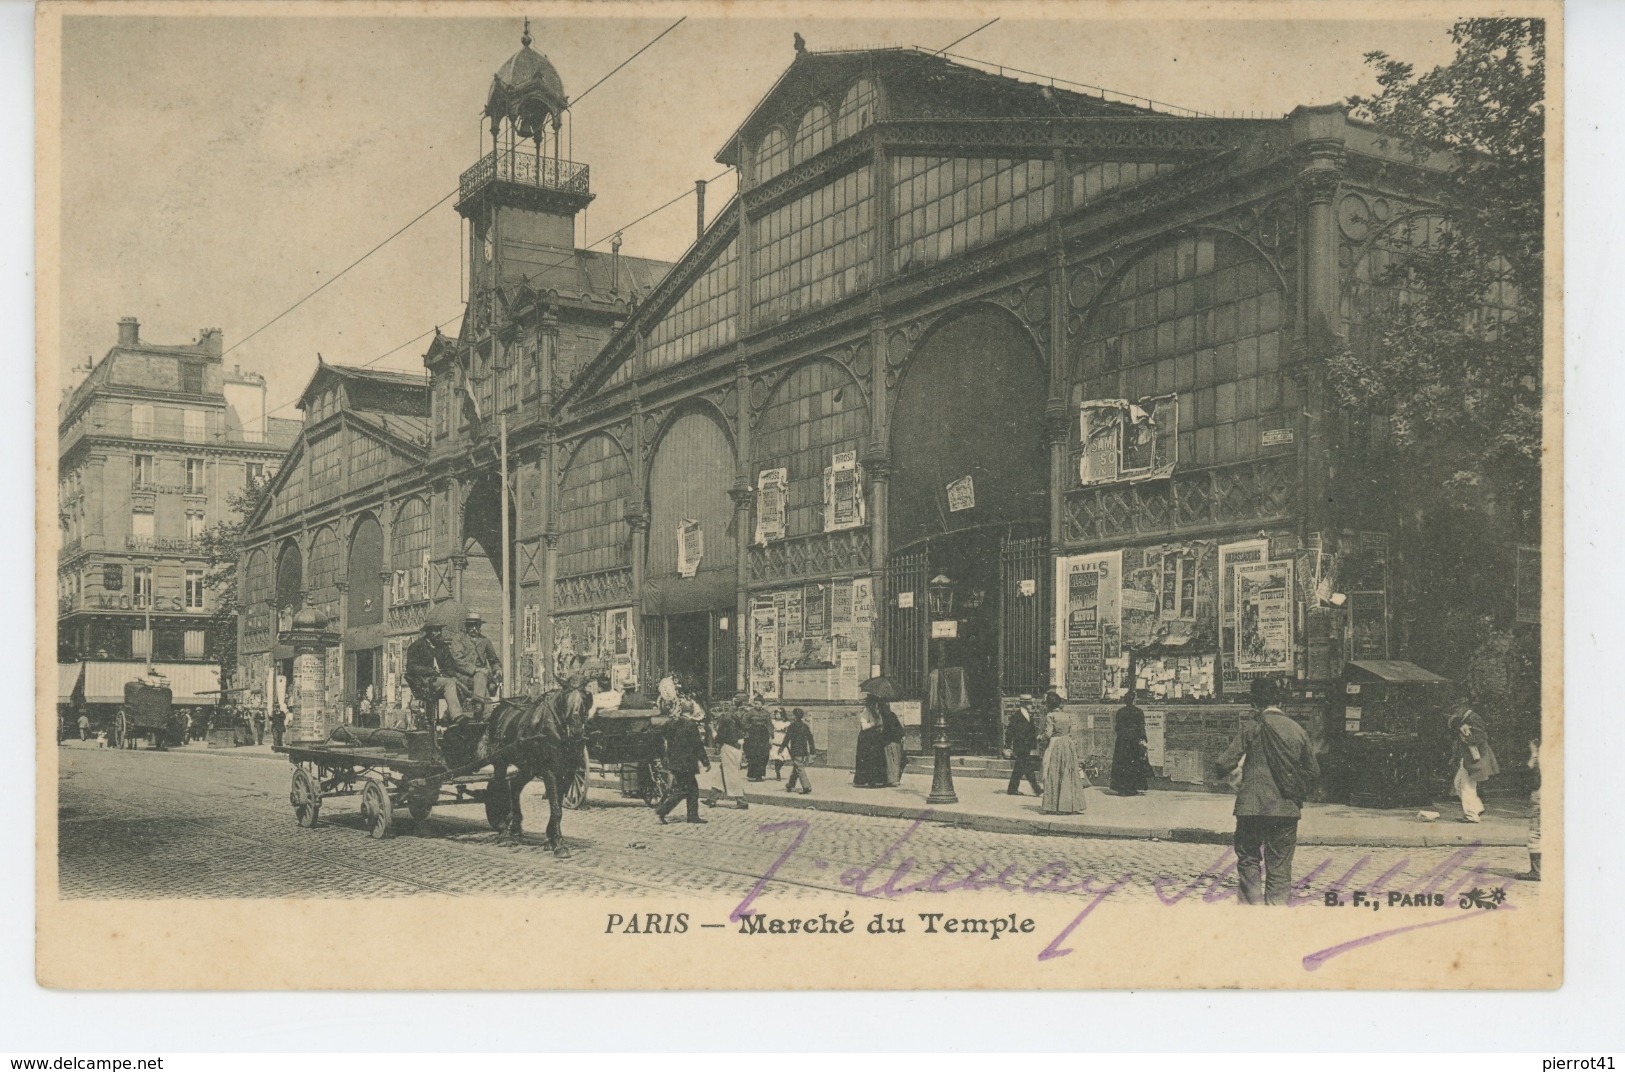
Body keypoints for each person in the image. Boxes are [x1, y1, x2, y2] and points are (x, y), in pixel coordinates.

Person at [1215, 678, 1320, 906]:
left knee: (1249, 858)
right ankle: (1276, 913)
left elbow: (1224, 763)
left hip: (1251, 806)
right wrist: (1295, 792)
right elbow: (1313, 772)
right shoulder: (1297, 730)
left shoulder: (1252, 726)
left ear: (1255, 703)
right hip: (1285, 808)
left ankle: (1253, 909)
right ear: (1281, 702)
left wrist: (1226, 773)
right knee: (1280, 864)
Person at [655, 696, 710, 825]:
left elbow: (663, 736)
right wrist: (705, 762)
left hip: (675, 761)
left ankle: (692, 816)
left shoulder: (672, 723)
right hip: (687, 763)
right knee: (684, 790)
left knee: (691, 789)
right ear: (690, 711)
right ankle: (663, 810)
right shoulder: (690, 725)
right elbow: (697, 745)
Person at [1448, 699, 1500, 823]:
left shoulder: (1473, 718)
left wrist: (1467, 739)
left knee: (1467, 786)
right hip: (1467, 757)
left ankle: (1471, 815)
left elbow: (1481, 737)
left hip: (1474, 758)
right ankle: (1476, 808)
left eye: (1457, 709)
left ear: (1464, 707)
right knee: (1458, 784)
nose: (1456, 712)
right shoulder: (1467, 718)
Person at [405, 622, 464, 723]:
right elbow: (411, 667)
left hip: (442, 679)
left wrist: (456, 676)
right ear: (428, 632)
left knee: (463, 687)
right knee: (449, 683)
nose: (438, 633)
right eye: (435, 630)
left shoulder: (442, 647)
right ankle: (457, 716)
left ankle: (448, 717)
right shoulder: (417, 646)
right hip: (424, 681)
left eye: (439, 630)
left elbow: (449, 665)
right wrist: (430, 671)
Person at [1040, 692, 1086, 815]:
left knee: (1053, 772)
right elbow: (1070, 730)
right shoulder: (1066, 715)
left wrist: (1041, 737)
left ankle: (1053, 805)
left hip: (1055, 744)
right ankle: (1069, 805)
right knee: (1067, 773)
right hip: (1067, 743)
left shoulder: (1050, 716)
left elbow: (1048, 734)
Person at [705, 697, 749, 810]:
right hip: (736, 748)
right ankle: (712, 799)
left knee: (731, 774)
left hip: (729, 748)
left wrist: (712, 729)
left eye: (714, 713)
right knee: (720, 774)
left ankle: (742, 801)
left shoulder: (725, 719)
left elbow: (719, 738)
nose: (714, 717)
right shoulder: (734, 717)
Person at [1110, 691, 1153, 795]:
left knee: (1122, 764)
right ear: (1134, 700)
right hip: (1134, 741)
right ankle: (1132, 787)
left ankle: (1122, 788)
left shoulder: (1120, 712)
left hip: (1122, 741)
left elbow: (1117, 728)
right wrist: (1143, 739)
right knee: (1133, 764)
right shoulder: (1138, 712)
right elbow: (1141, 728)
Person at [462, 612, 502, 711]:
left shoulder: (485, 641)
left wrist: (497, 669)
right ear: (467, 627)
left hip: (483, 675)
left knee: (481, 677)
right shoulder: (459, 640)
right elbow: (457, 660)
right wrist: (475, 670)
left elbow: (493, 660)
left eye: (476, 625)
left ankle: (479, 707)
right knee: (481, 677)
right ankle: (483, 708)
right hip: (463, 675)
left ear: (479, 626)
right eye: (471, 626)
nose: (474, 629)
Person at [1005, 696, 1043, 797]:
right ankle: (1036, 788)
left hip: (1026, 745)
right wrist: (1007, 746)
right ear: (1025, 704)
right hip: (1020, 745)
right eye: (1030, 703)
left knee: (1019, 767)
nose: (1032, 705)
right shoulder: (1017, 715)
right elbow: (1010, 731)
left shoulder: (1027, 715)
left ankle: (1012, 789)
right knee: (1027, 766)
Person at [853, 694, 890, 788]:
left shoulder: (875, 712)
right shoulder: (865, 712)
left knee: (876, 758)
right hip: (866, 738)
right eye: (873, 703)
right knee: (867, 759)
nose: (875, 705)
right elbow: (864, 727)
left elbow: (880, 723)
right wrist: (875, 723)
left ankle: (876, 780)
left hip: (874, 738)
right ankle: (866, 781)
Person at [1520, 734, 1541, 881]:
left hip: (1542, 796)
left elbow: (1533, 778)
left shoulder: (1539, 759)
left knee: (1536, 833)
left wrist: (1534, 755)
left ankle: (1537, 871)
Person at [783, 708, 815, 794]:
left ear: (794, 716)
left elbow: (787, 738)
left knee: (799, 767)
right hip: (803, 750)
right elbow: (810, 738)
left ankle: (806, 786)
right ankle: (790, 784)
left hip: (795, 750)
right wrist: (812, 751)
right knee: (796, 766)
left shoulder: (792, 726)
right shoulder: (805, 726)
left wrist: (781, 747)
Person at [743, 698, 774, 781]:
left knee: (763, 755)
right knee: (754, 754)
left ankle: (760, 775)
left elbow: (769, 724)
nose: (756, 705)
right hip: (753, 735)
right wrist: (750, 728)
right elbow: (744, 722)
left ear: (762, 704)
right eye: (755, 703)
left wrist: (771, 735)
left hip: (763, 735)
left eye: (758, 703)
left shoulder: (766, 713)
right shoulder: (750, 712)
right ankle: (753, 775)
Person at [880, 699, 906, 787]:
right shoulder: (892, 714)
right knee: (896, 760)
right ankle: (896, 779)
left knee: (890, 761)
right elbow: (899, 727)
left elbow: (885, 730)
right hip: (896, 740)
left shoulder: (883, 716)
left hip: (889, 741)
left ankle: (892, 780)